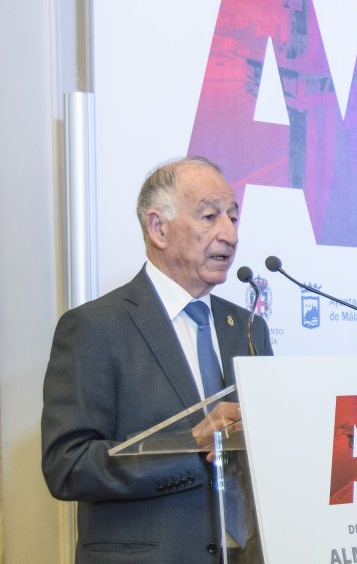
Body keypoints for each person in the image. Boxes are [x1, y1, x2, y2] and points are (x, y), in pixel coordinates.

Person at [42, 157, 272, 562]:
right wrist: (189, 445)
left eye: (234, 218)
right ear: (158, 228)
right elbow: (68, 465)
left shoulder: (248, 328)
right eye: (210, 216)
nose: (229, 234)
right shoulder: (94, 327)